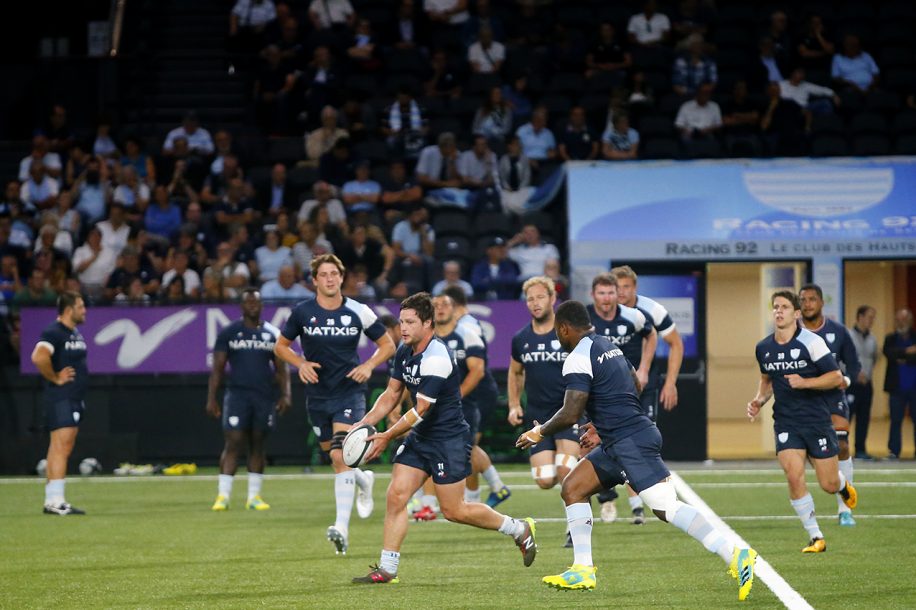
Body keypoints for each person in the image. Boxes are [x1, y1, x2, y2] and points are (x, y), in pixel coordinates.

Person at [517, 300, 757, 598]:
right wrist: (599, 424)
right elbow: (633, 382)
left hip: (630, 439)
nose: (556, 337)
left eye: (557, 331)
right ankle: (582, 569)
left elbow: (569, 412)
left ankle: (734, 553)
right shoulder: (609, 345)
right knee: (573, 488)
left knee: (666, 507)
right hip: (619, 439)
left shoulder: (578, 356)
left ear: (564, 328)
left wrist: (538, 432)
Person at [351, 292, 536, 584]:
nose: (404, 328)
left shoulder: (437, 357)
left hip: (448, 440)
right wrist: (363, 423)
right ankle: (388, 569)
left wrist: (385, 435)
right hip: (421, 437)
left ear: (428, 323)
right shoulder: (404, 349)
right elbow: (391, 394)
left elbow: (422, 408)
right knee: (396, 496)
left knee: (454, 510)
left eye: (410, 322)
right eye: (401, 321)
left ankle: (518, 528)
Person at [274, 254, 396, 554]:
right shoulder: (302, 312)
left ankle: (341, 528)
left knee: (341, 457)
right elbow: (280, 346)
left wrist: (368, 366)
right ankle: (364, 480)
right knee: (336, 459)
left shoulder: (358, 310)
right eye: (323, 274)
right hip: (317, 395)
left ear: (342, 278)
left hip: (349, 391)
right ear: (314, 280)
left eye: (334, 274)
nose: (329, 279)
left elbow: (388, 345)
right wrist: (299, 363)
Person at [749, 290, 857, 551]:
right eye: (776, 307)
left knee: (828, 483)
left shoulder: (811, 343)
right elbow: (767, 378)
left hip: (817, 421)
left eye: (785, 307)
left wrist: (805, 381)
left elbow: (835, 377)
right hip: (786, 423)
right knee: (794, 476)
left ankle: (843, 485)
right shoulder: (764, 348)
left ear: (796, 314)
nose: (779, 311)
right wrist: (759, 401)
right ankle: (815, 536)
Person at [507, 276, 577, 545]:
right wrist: (514, 404)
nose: (535, 303)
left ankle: (574, 526)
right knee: (545, 480)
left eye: (540, 297)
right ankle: (586, 473)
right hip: (538, 416)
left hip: (570, 411)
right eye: (530, 299)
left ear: (552, 299)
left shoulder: (568, 331)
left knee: (564, 470)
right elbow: (515, 372)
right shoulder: (521, 338)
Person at [208, 289, 290, 511]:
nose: (253, 305)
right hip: (237, 395)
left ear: (262, 305)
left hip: (264, 396)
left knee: (257, 443)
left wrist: (286, 394)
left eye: (256, 301)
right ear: (241, 306)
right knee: (234, 441)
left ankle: (254, 496)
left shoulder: (272, 333)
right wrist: (212, 398)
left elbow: (282, 368)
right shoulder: (230, 333)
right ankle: (223, 496)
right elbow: (218, 368)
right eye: (248, 301)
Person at [588, 272, 657, 524]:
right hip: (597, 395)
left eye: (610, 292)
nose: (606, 298)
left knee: (630, 443)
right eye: (601, 293)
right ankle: (607, 500)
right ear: (593, 295)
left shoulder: (633, 316)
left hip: (629, 390)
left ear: (618, 294)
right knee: (593, 444)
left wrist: (644, 368)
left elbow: (651, 335)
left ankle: (637, 503)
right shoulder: (586, 320)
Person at [799, 283, 861, 526]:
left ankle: (845, 508)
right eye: (803, 300)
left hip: (833, 397)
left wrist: (845, 379)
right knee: (811, 454)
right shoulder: (794, 333)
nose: (807, 304)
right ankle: (838, 484)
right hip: (806, 400)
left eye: (812, 299)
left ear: (822, 303)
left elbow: (854, 365)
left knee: (842, 445)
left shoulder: (838, 331)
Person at [442, 285, 510, 507]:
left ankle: (477, 497)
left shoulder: (465, 326)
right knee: (468, 445)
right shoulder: (465, 324)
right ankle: (495, 487)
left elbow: (476, 366)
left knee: (466, 446)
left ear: (454, 306)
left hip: (477, 389)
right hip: (479, 388)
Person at [31, 291, 89, 515]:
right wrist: (55, 377)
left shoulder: (73, 332)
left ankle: (53, 498)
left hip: (73, 397)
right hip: (61, 397)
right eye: (81, 306)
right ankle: (55, 501)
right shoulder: (54, 332)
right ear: (69, 309)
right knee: (60, 446)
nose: (84, 311)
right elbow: (38, 356)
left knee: (63, 446)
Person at [883, 309, 916, 460]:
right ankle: (894, 451)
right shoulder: (890, 338)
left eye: (905, 319)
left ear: (910, 321)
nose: (902, 322)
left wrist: (902, 357)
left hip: (914, 388)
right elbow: (889, 354)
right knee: (896, 421)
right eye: (899, 320)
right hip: (896, 388)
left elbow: (897, 356)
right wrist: (908, 352)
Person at [848, 306, 877, 460]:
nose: (872, 321)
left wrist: (867, 375)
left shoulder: (873, 338)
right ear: (859, 317)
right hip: (850, 385)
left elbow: (874, 359)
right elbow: (841, 359)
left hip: (867, 385)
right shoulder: (848, 336)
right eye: (869, 317)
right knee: (846, 418)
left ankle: (860, 450)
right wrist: (854, 374)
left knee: (864, 418)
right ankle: (841, 450)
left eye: (873, 318)